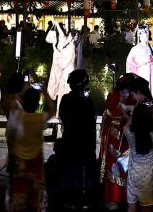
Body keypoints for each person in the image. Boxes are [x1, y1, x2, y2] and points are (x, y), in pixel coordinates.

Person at [56, 68, 98, 210]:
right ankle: (85, 199)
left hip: (70, 140)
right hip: (85, 142)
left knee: (69, 170)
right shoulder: (88, 102)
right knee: (85, 171)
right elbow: (91, 124)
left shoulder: (66, 99)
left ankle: (69, 200)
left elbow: (62, 116)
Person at [6, 85, 53, 212]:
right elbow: (53, 110)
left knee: (18, 190)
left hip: (19, 160)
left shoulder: (18, 116)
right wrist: (45, 93)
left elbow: (10, 136)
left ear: (24, 101)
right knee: (36, 191)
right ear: (37, 103)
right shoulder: (39, 118)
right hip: (36, 161)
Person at [100, 73, 138, 210]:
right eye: (123, 91)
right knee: (114, 169)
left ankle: (128, 197)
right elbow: (107, 123)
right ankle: (114, 198)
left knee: (129, 169)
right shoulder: (112, 101)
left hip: (129, 140)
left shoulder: (136, 101)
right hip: (114, 140)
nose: (125, 94)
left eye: (128, 90)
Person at [122, 99, 153, 211]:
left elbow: (127, 125)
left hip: (133, 178)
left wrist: (135, 111)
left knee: (131, 209)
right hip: (150, 179)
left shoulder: (129, 133)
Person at [125, 24, 153, 109]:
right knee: (141, 90)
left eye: (146, 34)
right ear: (139, 36)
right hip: (140, 72)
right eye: (142, 35)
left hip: (150, 73)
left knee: (150, 90)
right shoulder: (135, 49)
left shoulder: (152, 48)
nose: (144, 37)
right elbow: (129, 62)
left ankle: (152, 109)